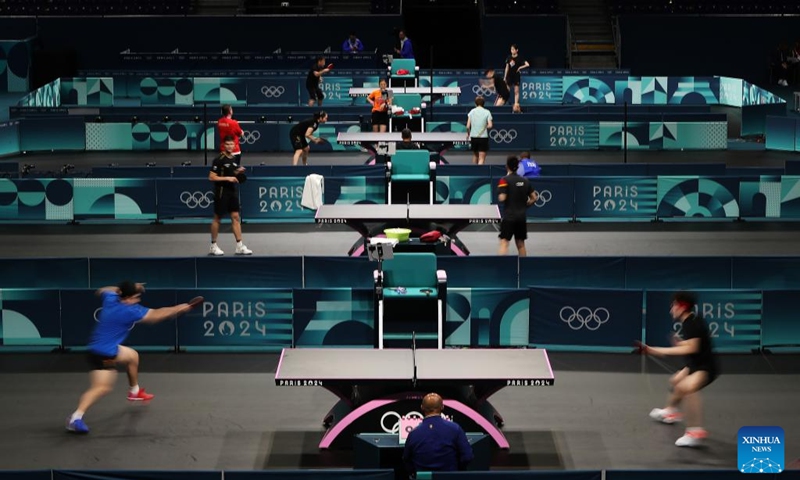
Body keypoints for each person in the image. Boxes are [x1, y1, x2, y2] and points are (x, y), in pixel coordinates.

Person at [66, 281, 196, 434]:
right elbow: (156, 315)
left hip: (104, 347)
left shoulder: (111, 298)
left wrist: (128, 288)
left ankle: (134, 392)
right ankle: (75, 418)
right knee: (102, 387)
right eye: (135, 297)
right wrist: (181, 308)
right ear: (126, 298)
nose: (138, 300)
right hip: (103, 354)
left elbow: (101, 290)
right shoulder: (129, 311)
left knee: (132, 356)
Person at [640, 291, 719, 448]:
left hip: (705, 367)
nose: (671, 310)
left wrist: (657, 350)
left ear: (682, 307)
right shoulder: (691, 320)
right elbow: (696, 343)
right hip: (694, 364)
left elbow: (693, 348)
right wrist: (681, 343)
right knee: (676, 381)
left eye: (673, 306)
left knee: (687, 387)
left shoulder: (692, 323)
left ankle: (694, 432)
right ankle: (671, 411)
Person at [403, 393, 473, 476]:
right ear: (442, 407)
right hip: (450, 477)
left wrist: (417, 474)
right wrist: (457, 471)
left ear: (422, 408)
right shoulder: (455, 429)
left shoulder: (413, 433)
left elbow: (406, 459)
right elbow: (467, 456)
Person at [208, 135, 252, 256]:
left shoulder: (233, 158)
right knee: (218, 218)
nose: (230, 146)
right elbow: (211, 177)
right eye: (227, 144)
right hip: (221, 192)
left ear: (234, 145)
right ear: (223, 145)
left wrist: (238, 171)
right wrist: (228, 178)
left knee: (236, 217)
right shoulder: (218, 159)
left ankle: (239, 246)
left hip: (232, 191)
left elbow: (232, 172)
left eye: (231, 144)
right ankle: (213, 245)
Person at [497, 155, 537, 256]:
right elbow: (534, 198)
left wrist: (501, 192)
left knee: (504, 243)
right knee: (521, 244)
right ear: (517, 167)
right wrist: (526, 205)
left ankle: (501, 267)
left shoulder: (504, 180)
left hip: (509, 218)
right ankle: (523, 268)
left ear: (507, 166)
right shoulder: (525, 181)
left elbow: (502, 198)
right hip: (521, 218)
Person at [466, 96, 493, 165]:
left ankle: (474, 172)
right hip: (483, 138)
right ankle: (480, 173)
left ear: (475, 104)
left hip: (473, 137)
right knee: (481, 157)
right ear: (484, 103)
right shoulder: (487, 112)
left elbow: (468, 126)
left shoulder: (472, 111)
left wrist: (468, 134)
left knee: (475, 155)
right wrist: (486, 126)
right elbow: (490, 125)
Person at [504, 44, 529, 109]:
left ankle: (516, 105)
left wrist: (520, 67)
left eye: (513, 49)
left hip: (516, 76)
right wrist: (505, 77)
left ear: (516, 50)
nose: (511, 50)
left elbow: (527, 64)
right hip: (509, 76)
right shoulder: (509, 57)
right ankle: (503, 103)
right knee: (506, 91)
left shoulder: (520, 57)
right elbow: (507, 67)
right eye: (511, 49)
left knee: (516, 91)